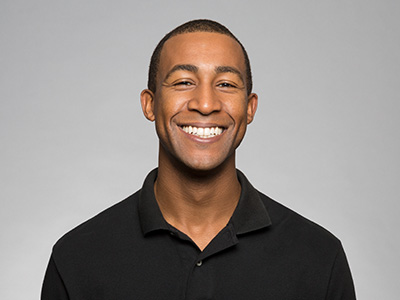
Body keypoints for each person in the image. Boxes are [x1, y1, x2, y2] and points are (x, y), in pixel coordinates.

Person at [41, 19, 356, 299]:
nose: (206, 104)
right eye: (183, 82)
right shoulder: (77, 258)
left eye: (226, 85)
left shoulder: (318, 258)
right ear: (150, 104)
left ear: (250, 107)